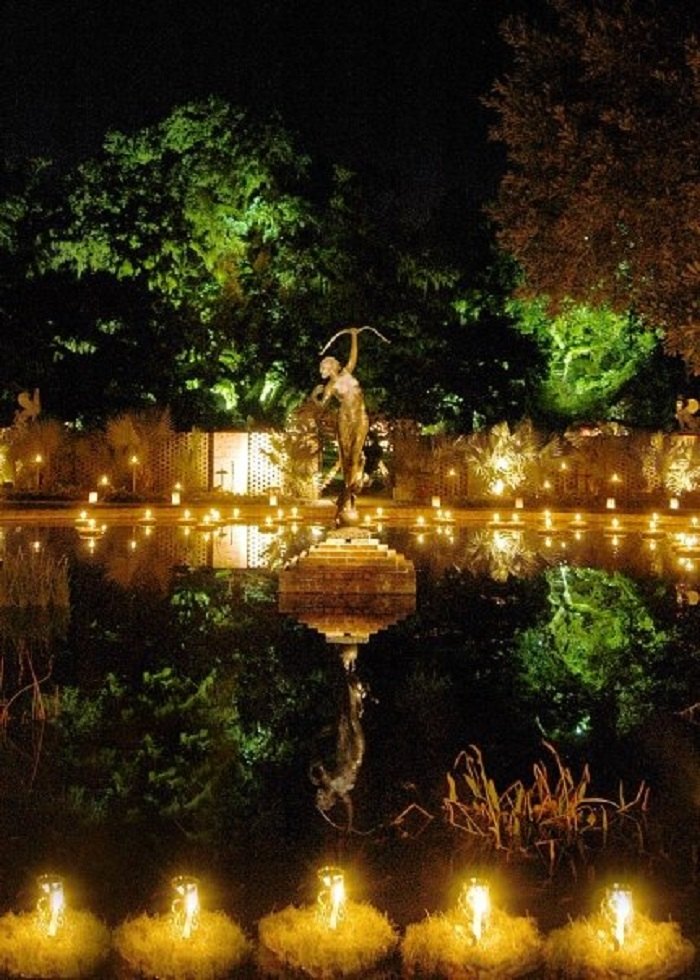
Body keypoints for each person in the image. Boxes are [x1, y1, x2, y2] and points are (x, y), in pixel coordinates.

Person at [313, 327, 370, 525]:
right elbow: (321, 404)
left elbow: (354, 357)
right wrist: (314, 395)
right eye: (328, 366)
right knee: (346, 456)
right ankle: (349, 499)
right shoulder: (330, 387)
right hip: (344, 418)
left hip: (360, 417)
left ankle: (349, 495)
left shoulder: (347, 372)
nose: (331, 367)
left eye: (331, 364)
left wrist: (354, 336)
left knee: (356, 455)